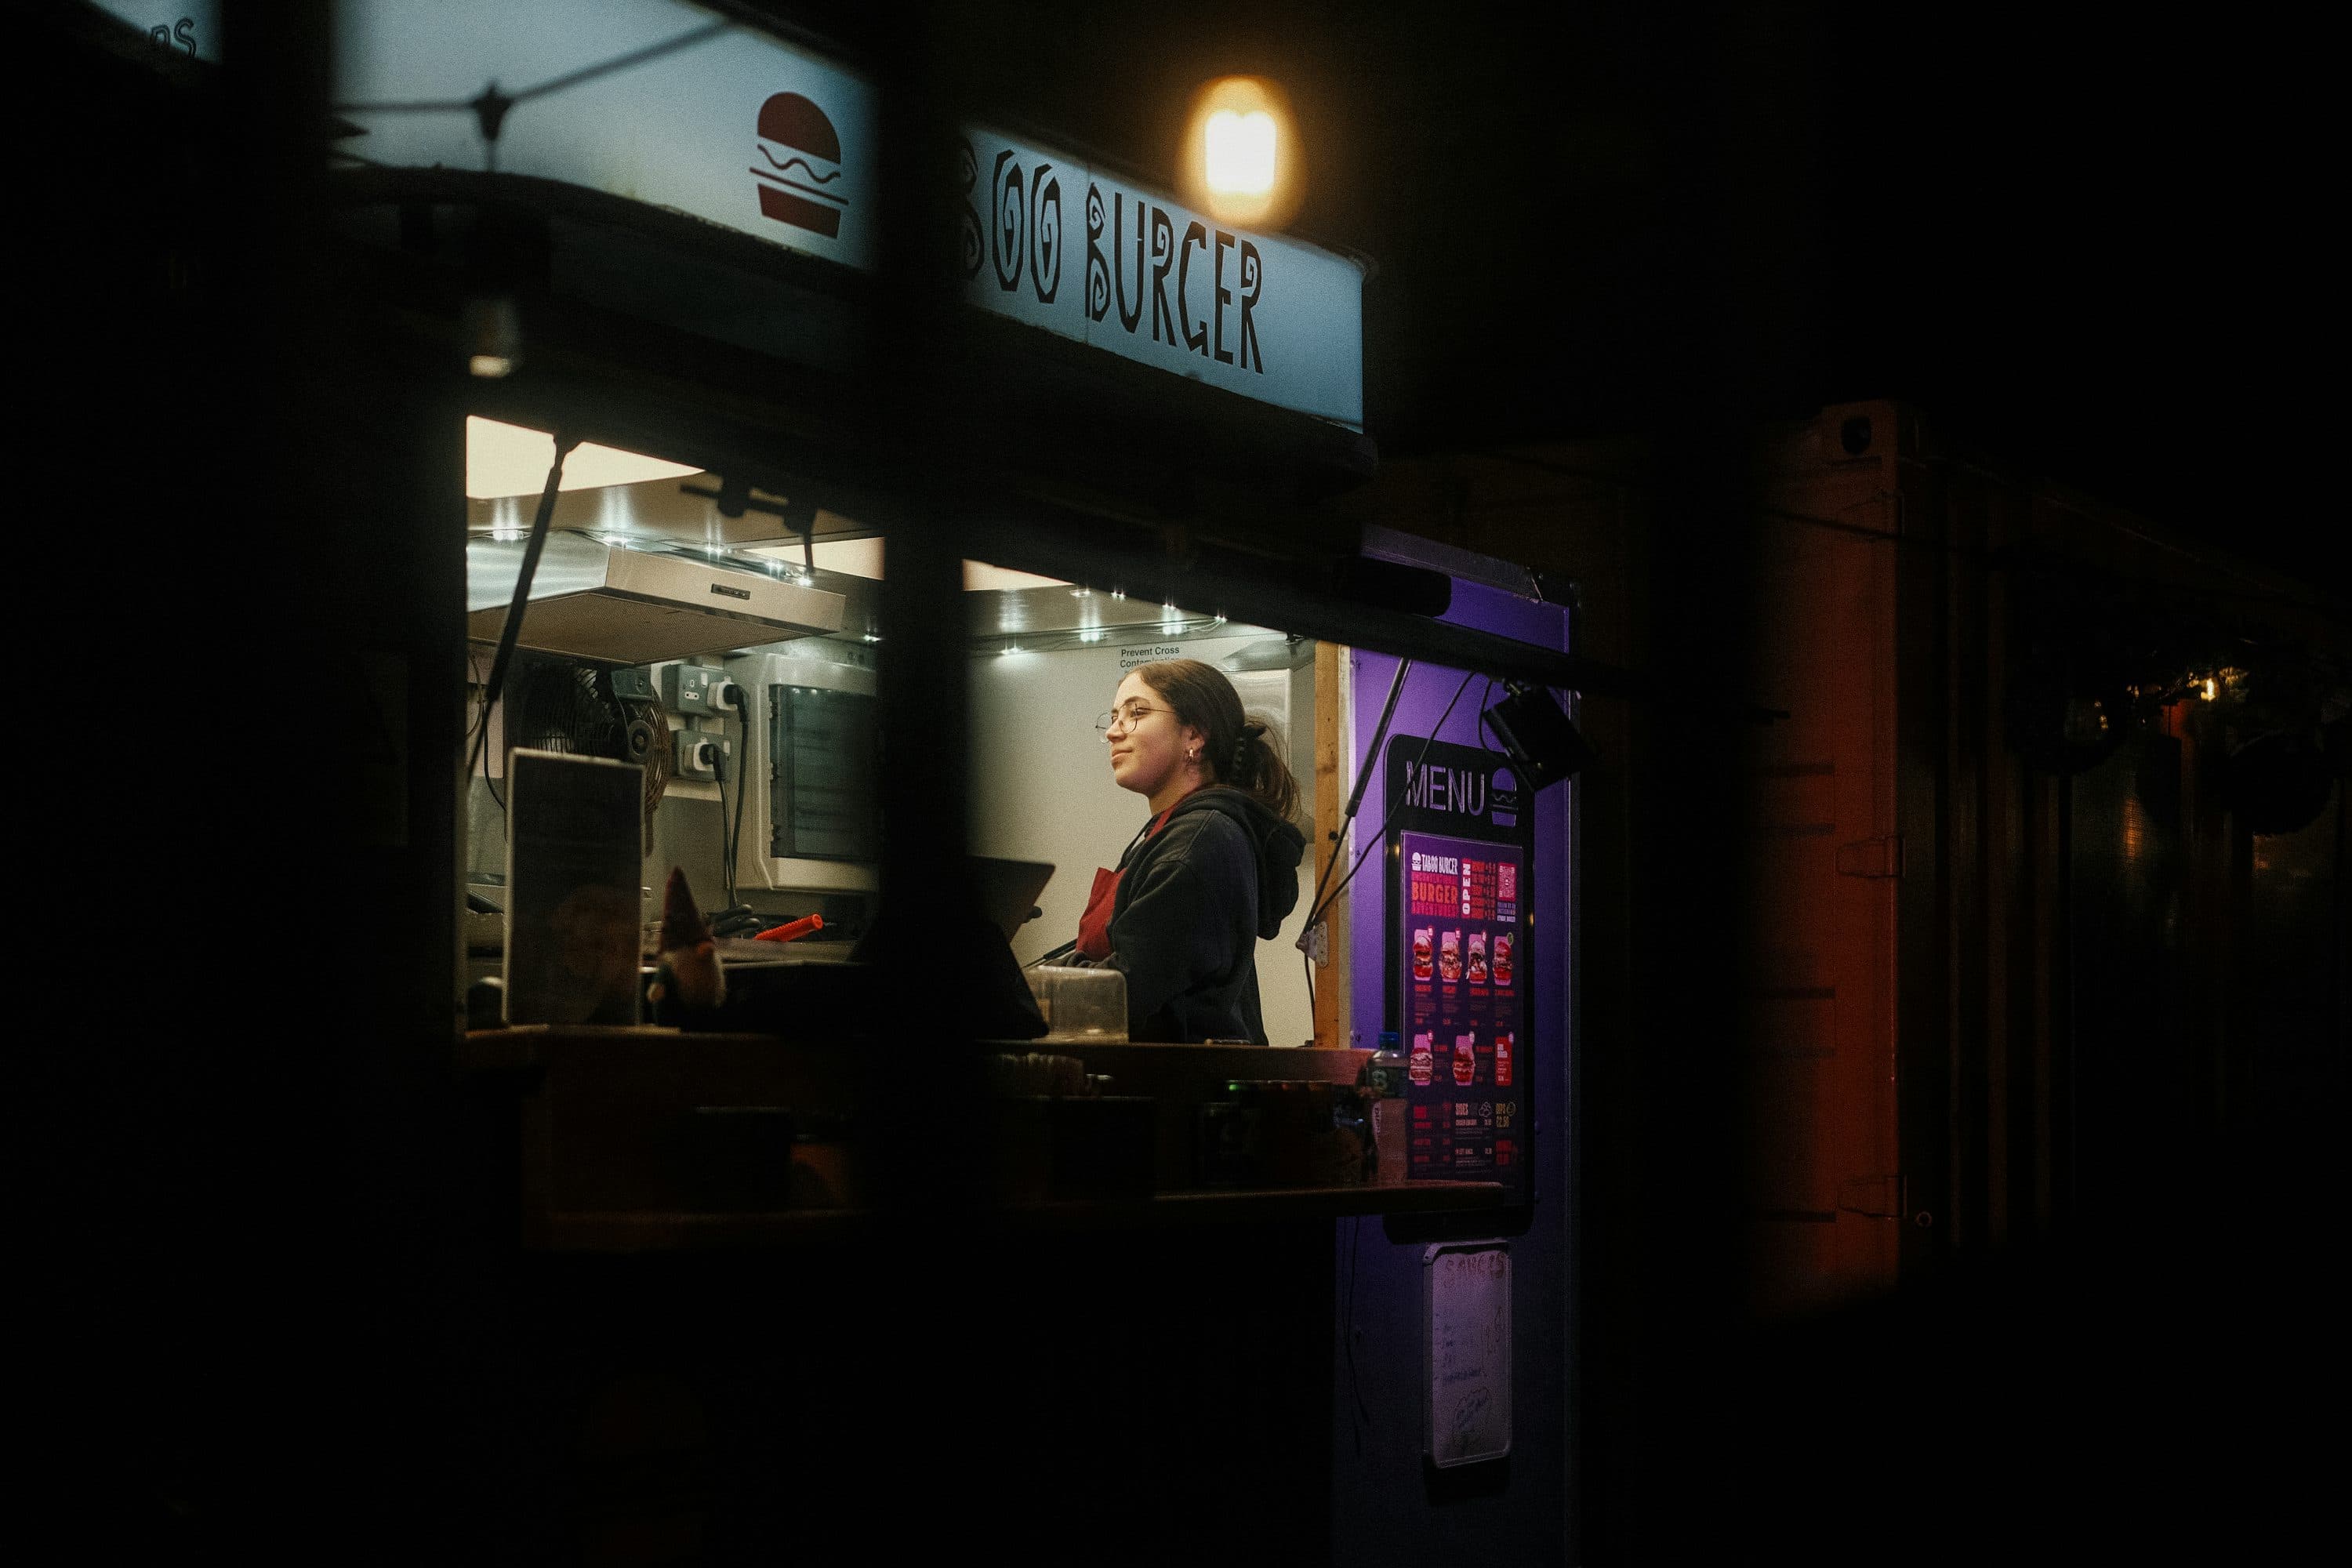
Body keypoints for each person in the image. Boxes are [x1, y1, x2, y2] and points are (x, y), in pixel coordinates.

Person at [1073, 658, 1307, 1043]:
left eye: (1136, 713)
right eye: (1114, 717)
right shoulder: (1173, 832)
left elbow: (1126, 988)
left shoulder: (1201, 840)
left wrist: (1030, 997)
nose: (1115, 731)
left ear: (1194, 736)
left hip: (1172, 1092)